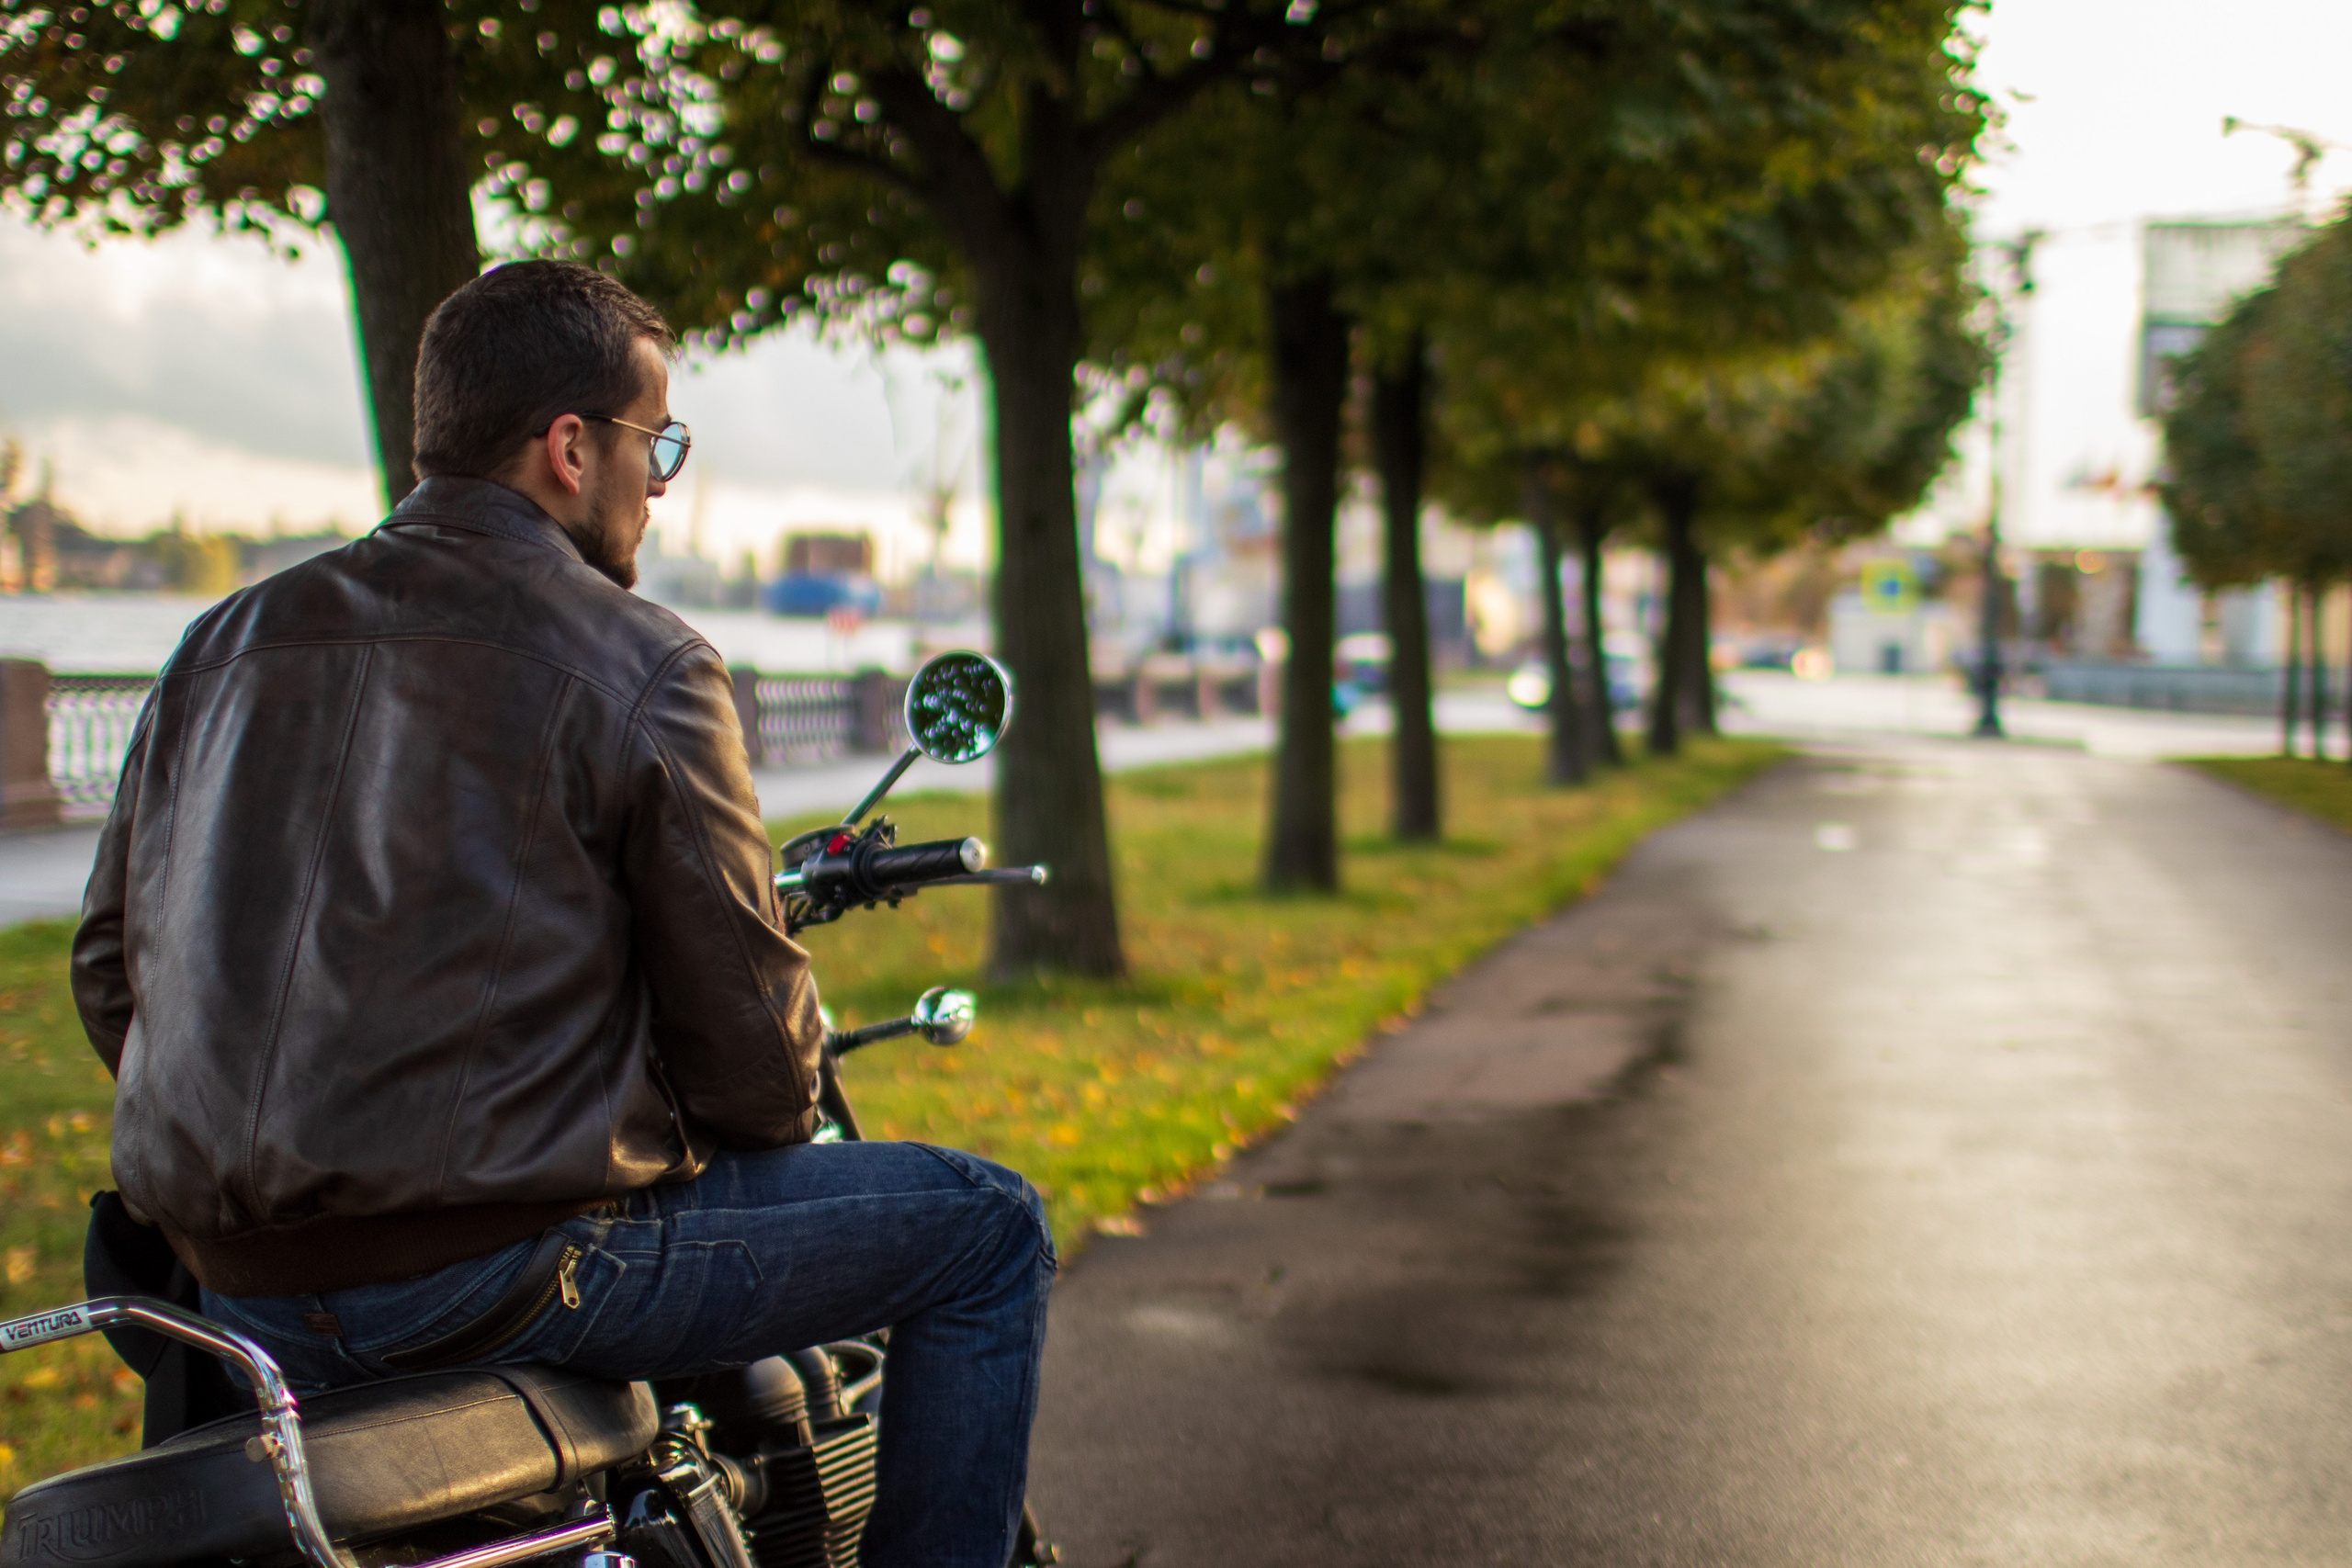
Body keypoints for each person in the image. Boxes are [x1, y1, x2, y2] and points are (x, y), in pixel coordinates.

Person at [70, 260, 1054, 1568]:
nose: (663, 483)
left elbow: (105, 974)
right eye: (662, 444)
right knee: (987, 1229)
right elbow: (763, 1080)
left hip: (232, 1289)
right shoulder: (641, 659)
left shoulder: (220, 644)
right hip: (500, 1278)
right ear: (571, 446)